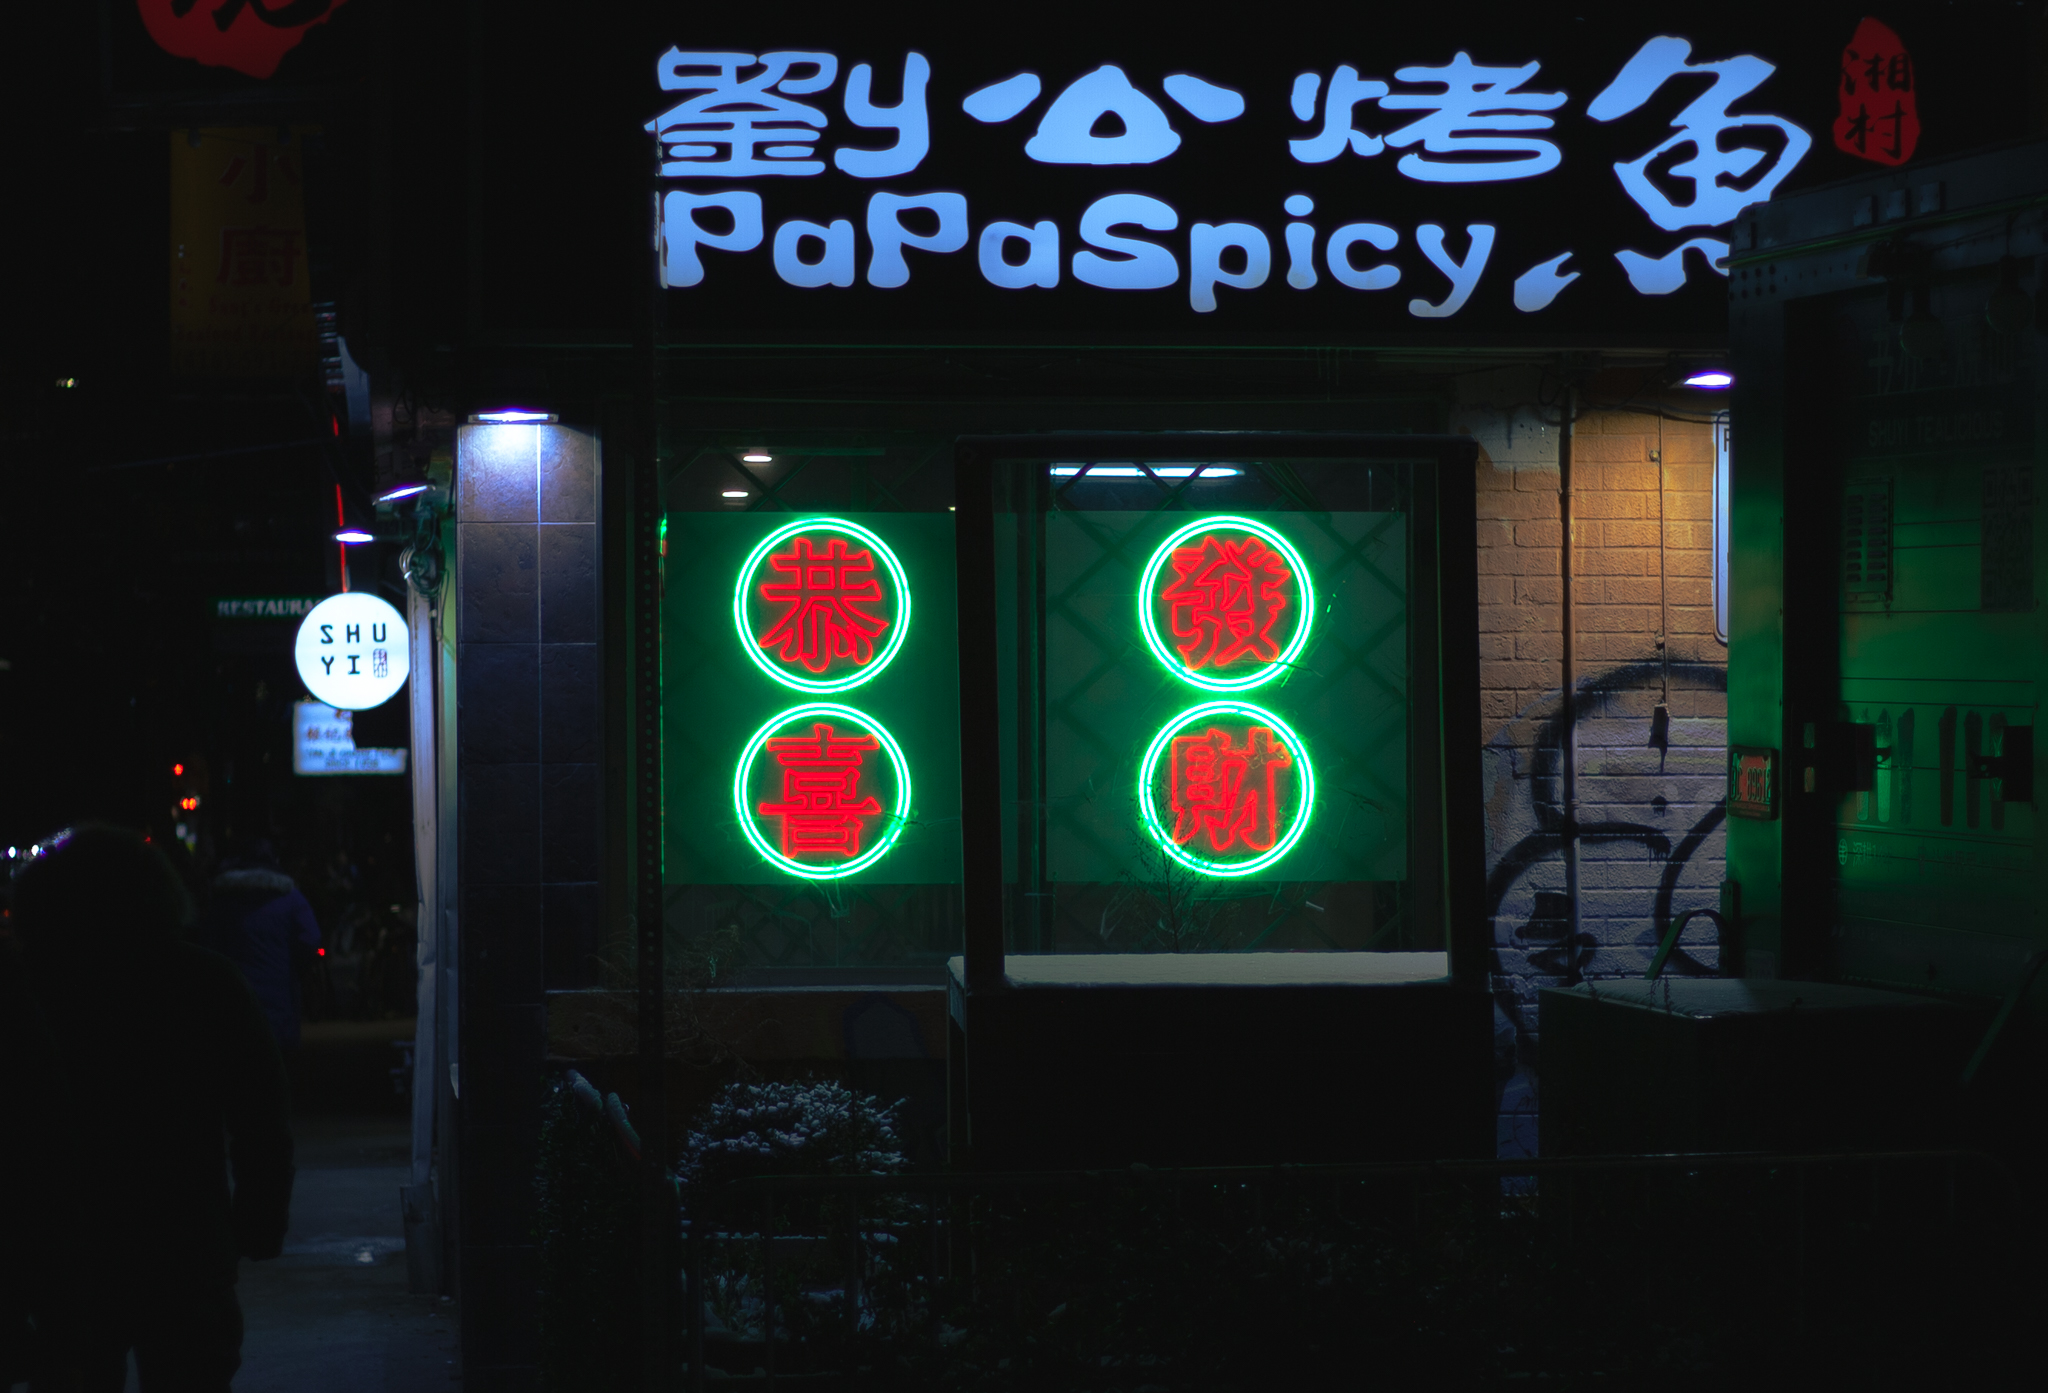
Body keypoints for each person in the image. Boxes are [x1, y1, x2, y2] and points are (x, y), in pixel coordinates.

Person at [6, 823, 293, 1393]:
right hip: (184, 1240)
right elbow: (261, 1114)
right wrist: (260, 1217)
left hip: (67, 1251)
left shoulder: (27, 990)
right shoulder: (205, 981)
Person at [194, 840, 323, 1050]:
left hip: (233, 999)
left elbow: (207, 944)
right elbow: (311, 939)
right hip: (280, 1000)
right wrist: (293, 967)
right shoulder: (290, 897)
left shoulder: (222, 900)